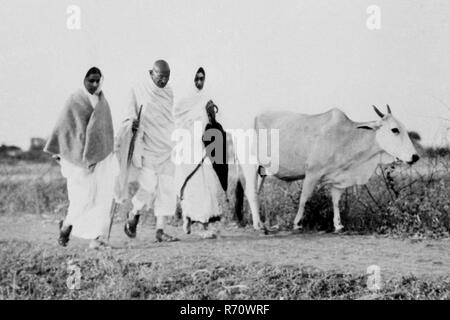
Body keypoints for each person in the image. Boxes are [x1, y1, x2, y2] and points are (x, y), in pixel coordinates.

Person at [45, 67, 119, 249]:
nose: (94, 84)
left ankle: (96, 239)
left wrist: (105, 152)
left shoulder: (103, 102)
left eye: (97, 80)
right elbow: (66, 130)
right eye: (90, 80)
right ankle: (66, 226)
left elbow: (105, 132)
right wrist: (74, 155)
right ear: (83, 80)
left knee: (102, 198)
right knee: (82, 200)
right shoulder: (75, 100)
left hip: (101, 159)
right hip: (78, 161)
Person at [116, 60, 179, 242]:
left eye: (167, 77)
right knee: (149, 186)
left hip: (167, 146)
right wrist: (131, 122)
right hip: (148, 146)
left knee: (166, 188)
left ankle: (160, 230)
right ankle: (133, 213)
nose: (164, 81)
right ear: (152, 73)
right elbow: (129, 112)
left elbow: (169, 118)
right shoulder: (139, 88)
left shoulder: (169, 92)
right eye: (160, 77)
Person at [173, 67, 225, 238]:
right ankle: (198, 224)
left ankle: (197, 220)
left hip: (202, 148)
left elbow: (211, 124)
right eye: (196, 78)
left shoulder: (205, 98)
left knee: (208, 185)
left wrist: (210, 115)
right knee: (193, 186)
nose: (199, 82)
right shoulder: (182, 100)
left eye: (202, 78)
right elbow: (177, 122)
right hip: (187, 149)